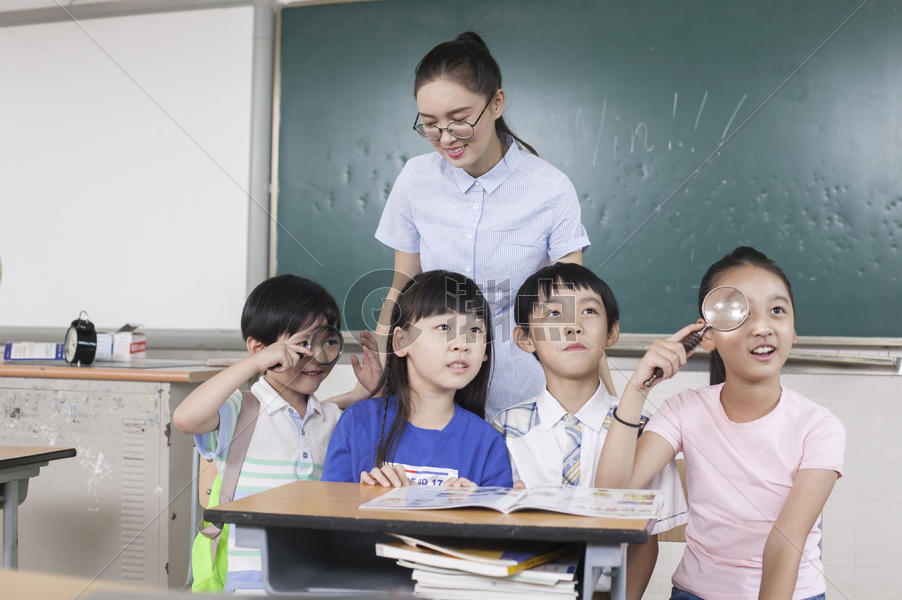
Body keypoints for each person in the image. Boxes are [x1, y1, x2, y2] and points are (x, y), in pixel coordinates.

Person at [374, 31, 615, 420]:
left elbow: (572, 304)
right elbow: (402, 285)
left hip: (522, 392)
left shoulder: (549, 188)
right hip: (433, 393)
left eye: (459, 120)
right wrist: (382, 377)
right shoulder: (415, 179)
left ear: (497, 102)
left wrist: (605, 402)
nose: (445, 137)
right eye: (430, 124)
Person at [597, 247, 845, 600]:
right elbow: (612, 496)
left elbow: (783, 544)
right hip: (697, 594)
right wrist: (637, 389)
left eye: (777, 310)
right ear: (708, 336)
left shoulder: (820, 426)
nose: (762, 327)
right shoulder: (682, 411)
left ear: (793, 331)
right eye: (740, 315)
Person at [172, 275, 380, 593]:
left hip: (312, 576)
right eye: (302, 344)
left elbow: (325, 412)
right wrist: (254, 363)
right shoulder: (240, 411)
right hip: (247, 580)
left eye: (328, 341)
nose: (316, 356)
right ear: (260, 348)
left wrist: (359, 393)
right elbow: (186, 418)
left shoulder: (329, 417)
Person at [493, 262, 687, 599]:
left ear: (612, 332)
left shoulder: (646, 433)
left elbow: (645, 543)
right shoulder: (502, 432)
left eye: (589, 311)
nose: (572, 326)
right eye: (554, 314)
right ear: (525, 338)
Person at [322, 270, 512, 488]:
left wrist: (470, 511)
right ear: (401, 342)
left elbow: (496, 519)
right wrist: (368, 498)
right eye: (444, 327)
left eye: (475, 329)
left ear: (486, 350)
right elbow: (329, 516)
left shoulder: (488, 442)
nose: (462, 343)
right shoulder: (357, 423)